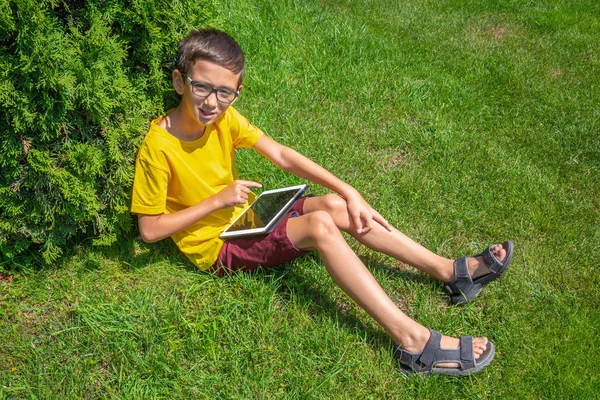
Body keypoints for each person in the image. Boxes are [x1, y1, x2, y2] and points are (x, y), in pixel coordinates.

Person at [130, 28, 514, 376]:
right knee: (318, 226)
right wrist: (216, 201)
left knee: (333, 205)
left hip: (244, 220)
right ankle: (414, 343)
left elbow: (282, 155)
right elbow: (149, 230)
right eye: (203, 88)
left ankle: (450, 272)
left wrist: (350, 190)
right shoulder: (158, 146)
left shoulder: (224, 119)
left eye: (225, 92)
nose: (213, 102)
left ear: (236, 93)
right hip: (217, 247)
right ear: (180, 82)